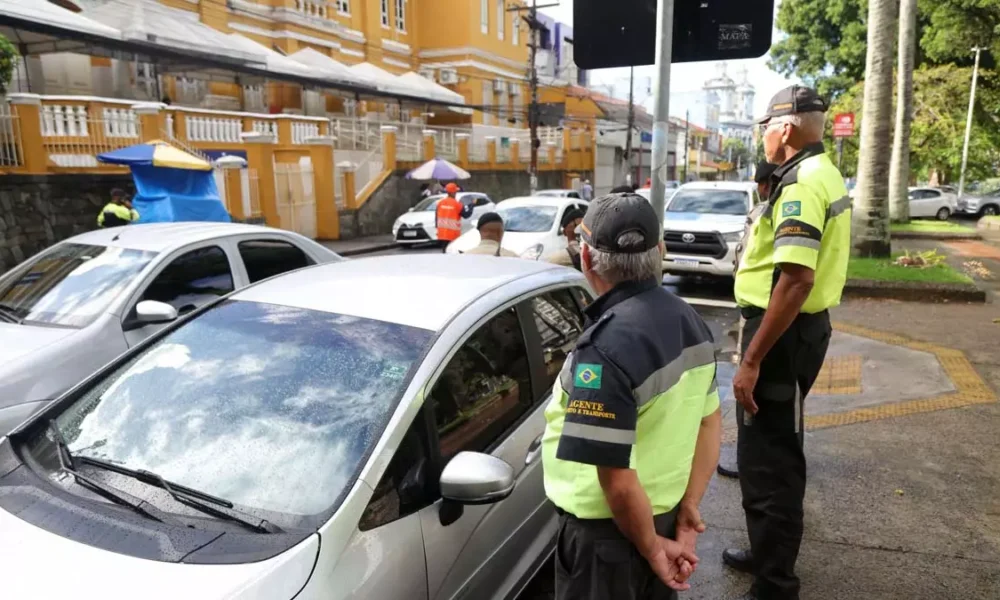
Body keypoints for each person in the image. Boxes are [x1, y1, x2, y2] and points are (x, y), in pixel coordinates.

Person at [542, 192, 722, 600]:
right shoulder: (689, 320)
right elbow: (710, 422)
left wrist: (652, 549)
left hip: (609, 540)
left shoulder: (603, 350)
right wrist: (689, 505)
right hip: (660, 520)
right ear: (660, 252)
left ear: (586, 259)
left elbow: (618, 482)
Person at [724, 85, 851, 600]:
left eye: (764, 129)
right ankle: (765, 552)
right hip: (799, 330)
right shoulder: (822, 172)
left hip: (780, 334)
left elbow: (795, 281)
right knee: (771, 447)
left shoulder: (800, 183)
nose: (762, 138)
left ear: (785, 127)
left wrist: (751, 359)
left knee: (768, 458)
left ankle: (775, 582)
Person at [717, 159, 778, 480]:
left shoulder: (766, 214)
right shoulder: (777, 211)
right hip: (764, 310)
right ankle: (757, 458)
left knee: (747, 388)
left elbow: (745, 257)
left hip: (758, 312)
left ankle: (749, 460)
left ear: (764, 185)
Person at [435, 183, 464, 252]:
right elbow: (466, 215)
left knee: (444, 252)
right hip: (453, 235)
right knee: (453, 254)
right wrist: (471, 205)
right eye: (456, 191)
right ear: (453, 192)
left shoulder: (440, 203)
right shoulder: (457, 204)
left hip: (442, 234)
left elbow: (436, 217)